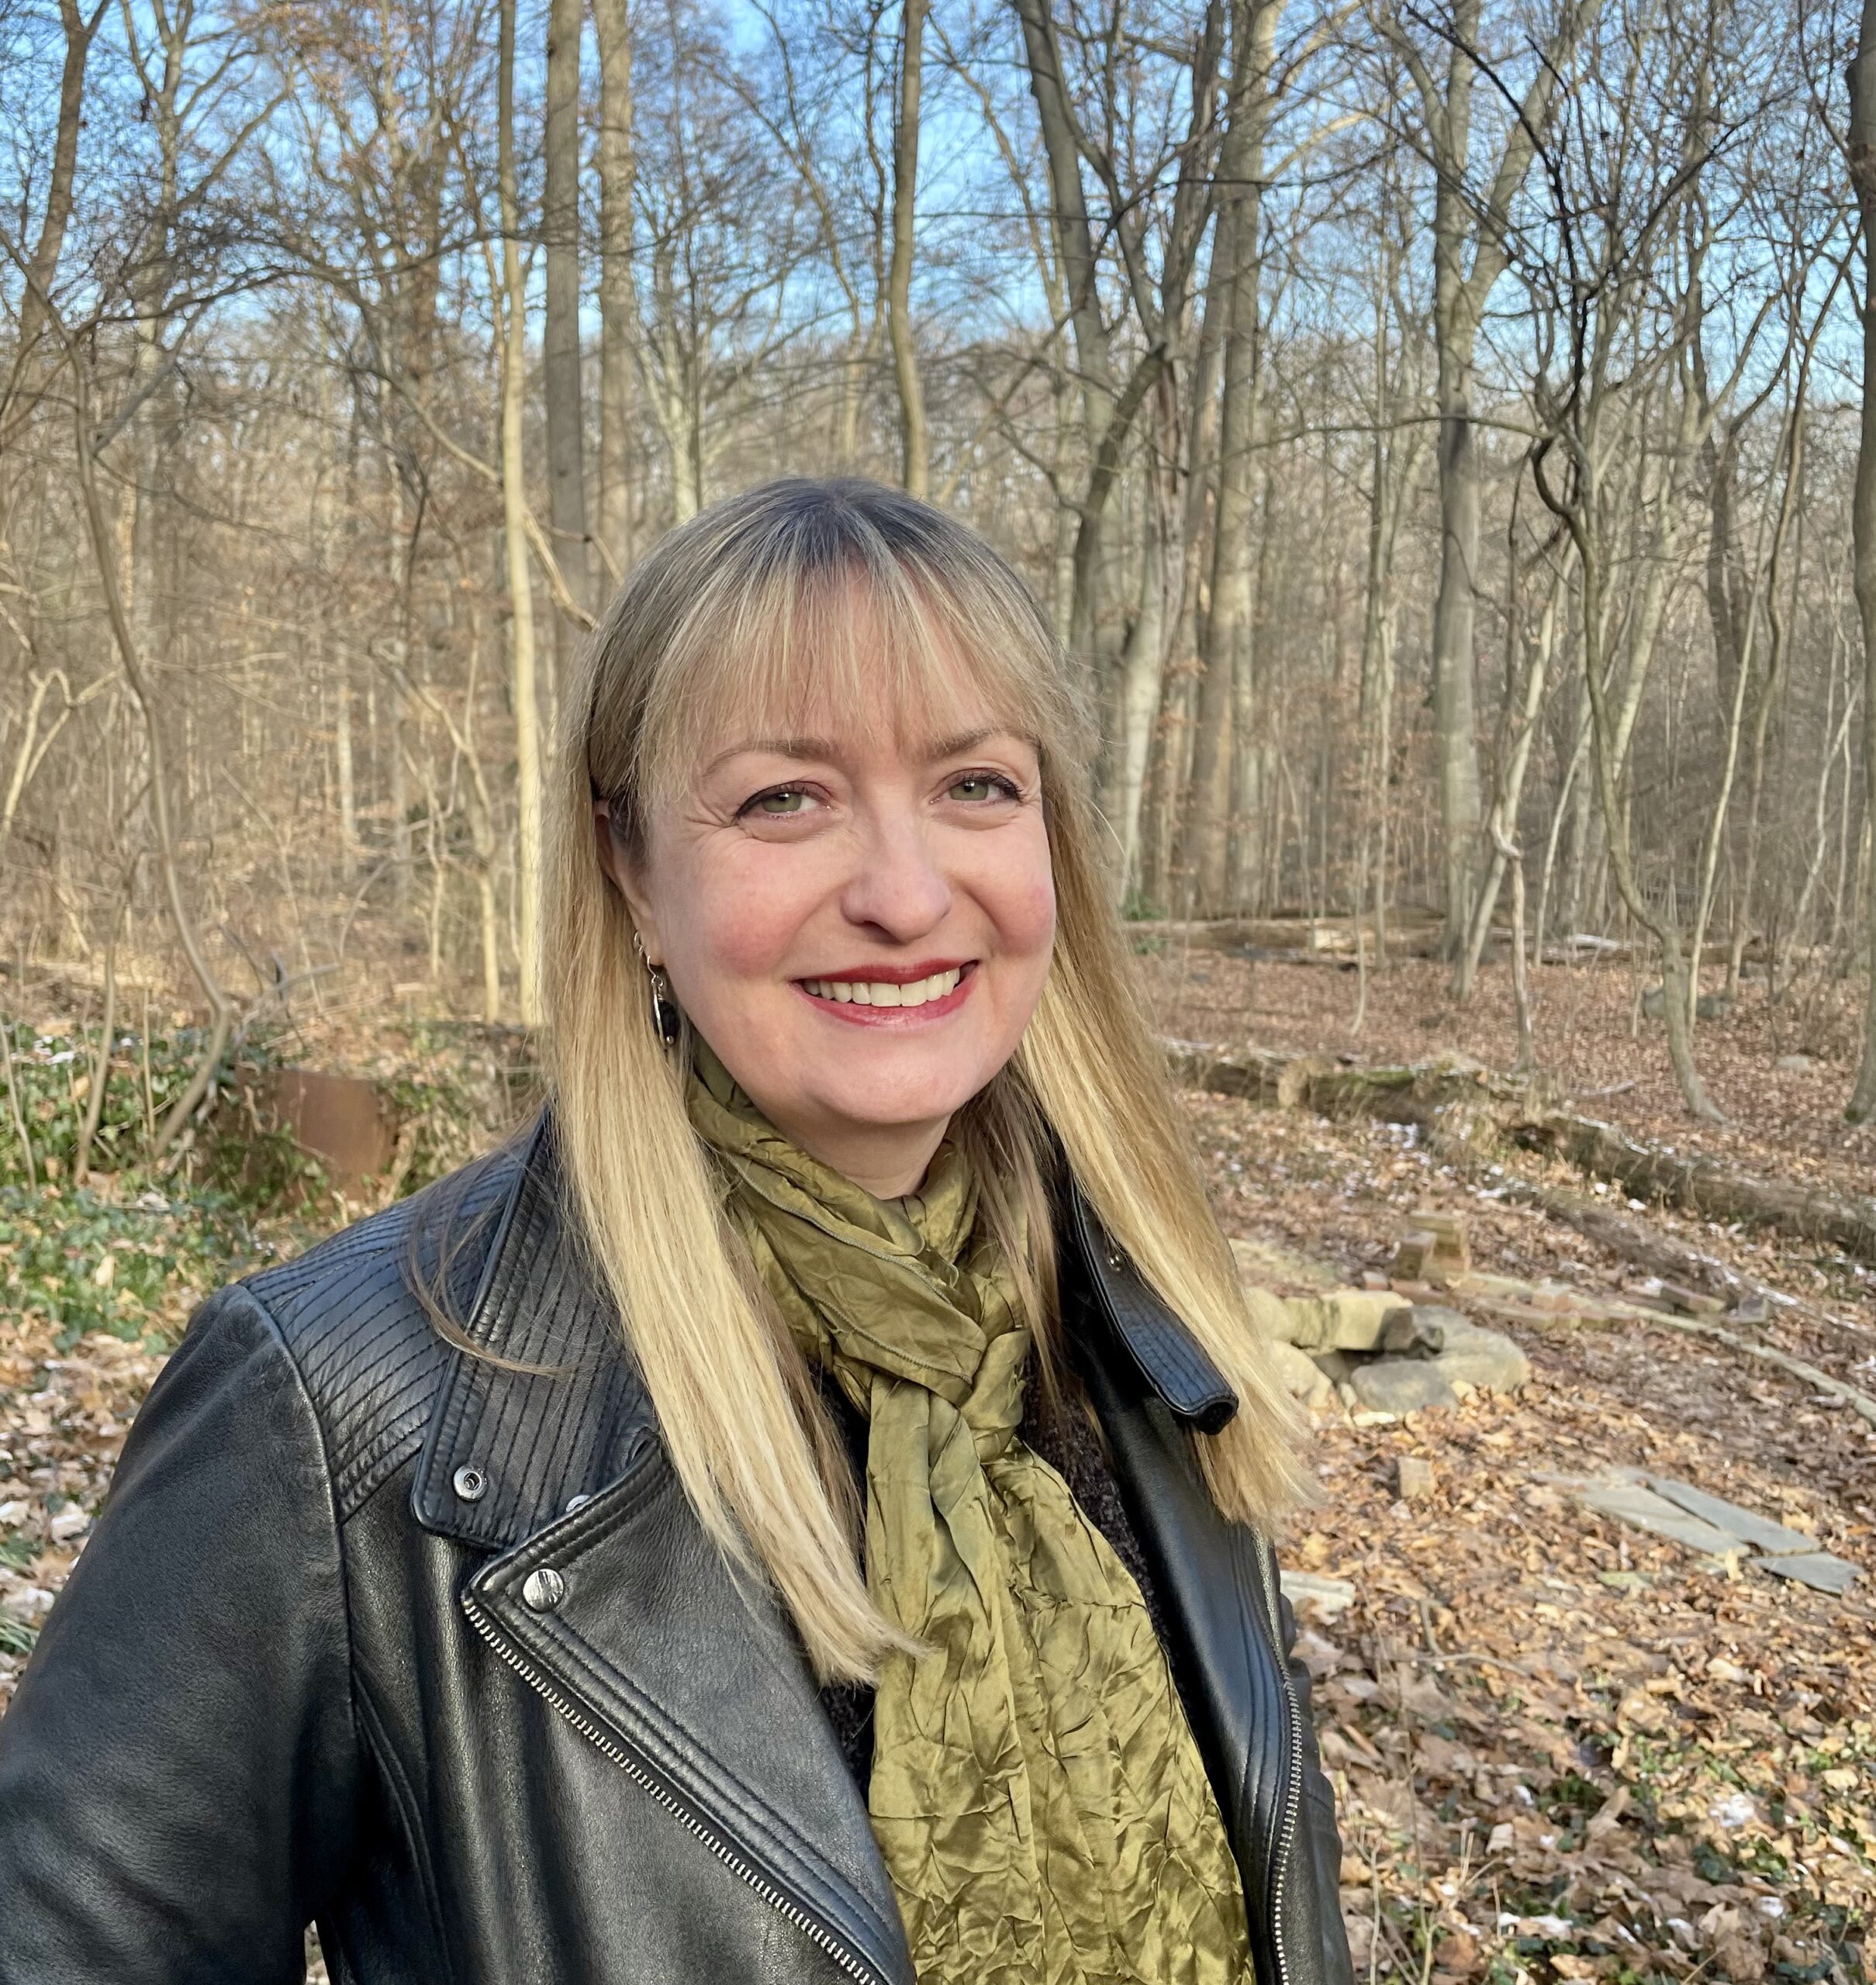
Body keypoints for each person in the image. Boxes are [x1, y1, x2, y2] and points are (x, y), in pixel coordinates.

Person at [0, 478, 1353, 1985]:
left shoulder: (1142, 1332)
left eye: (975, 783)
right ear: (634, 868)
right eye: (786, 796)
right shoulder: (336, 1412)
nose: (905, 891)